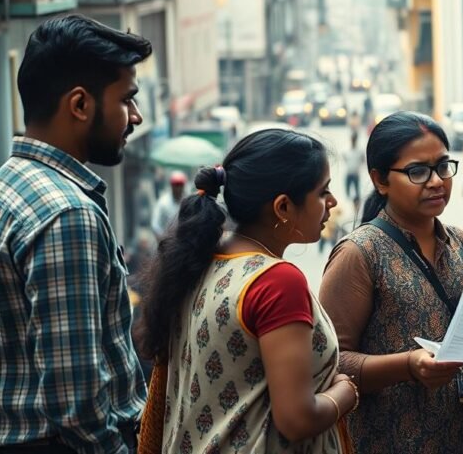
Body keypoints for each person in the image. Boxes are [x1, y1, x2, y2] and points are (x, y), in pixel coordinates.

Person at [0, 15, 149, 452]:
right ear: (80, 105)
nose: (137, 117)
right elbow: (77, 401)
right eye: (127, 100)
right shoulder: (67, 214)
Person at [135, 129, 357, 453]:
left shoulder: (204, 254)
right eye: (323, 192)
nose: (333, 203)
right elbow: (296, 420)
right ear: (282, 207)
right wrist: (344, 393)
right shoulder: (277, 282)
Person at [319, 112, 463, 454]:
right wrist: (407, 365)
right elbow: (329, 362)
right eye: (418, 171)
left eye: (442, 166)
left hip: (462, 440)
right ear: (380, 180)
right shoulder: (360, 254)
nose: (436, 181)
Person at [151, 170, 187, 237]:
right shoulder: (163, 202)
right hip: (167, 241)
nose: (178, 188)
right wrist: (163, 239)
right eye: (176, 185)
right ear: (172, 185)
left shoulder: (188, 201)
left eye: (180, 185)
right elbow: (155, 225)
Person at [343, 132, 365, 201]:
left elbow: (363, 160)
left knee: (357, 191)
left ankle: (356, 205)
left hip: (355, 173)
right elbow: (344, 157)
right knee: (347, 192)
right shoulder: (346, 149)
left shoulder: (360, 150)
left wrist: (358, 167)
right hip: (349, 172)